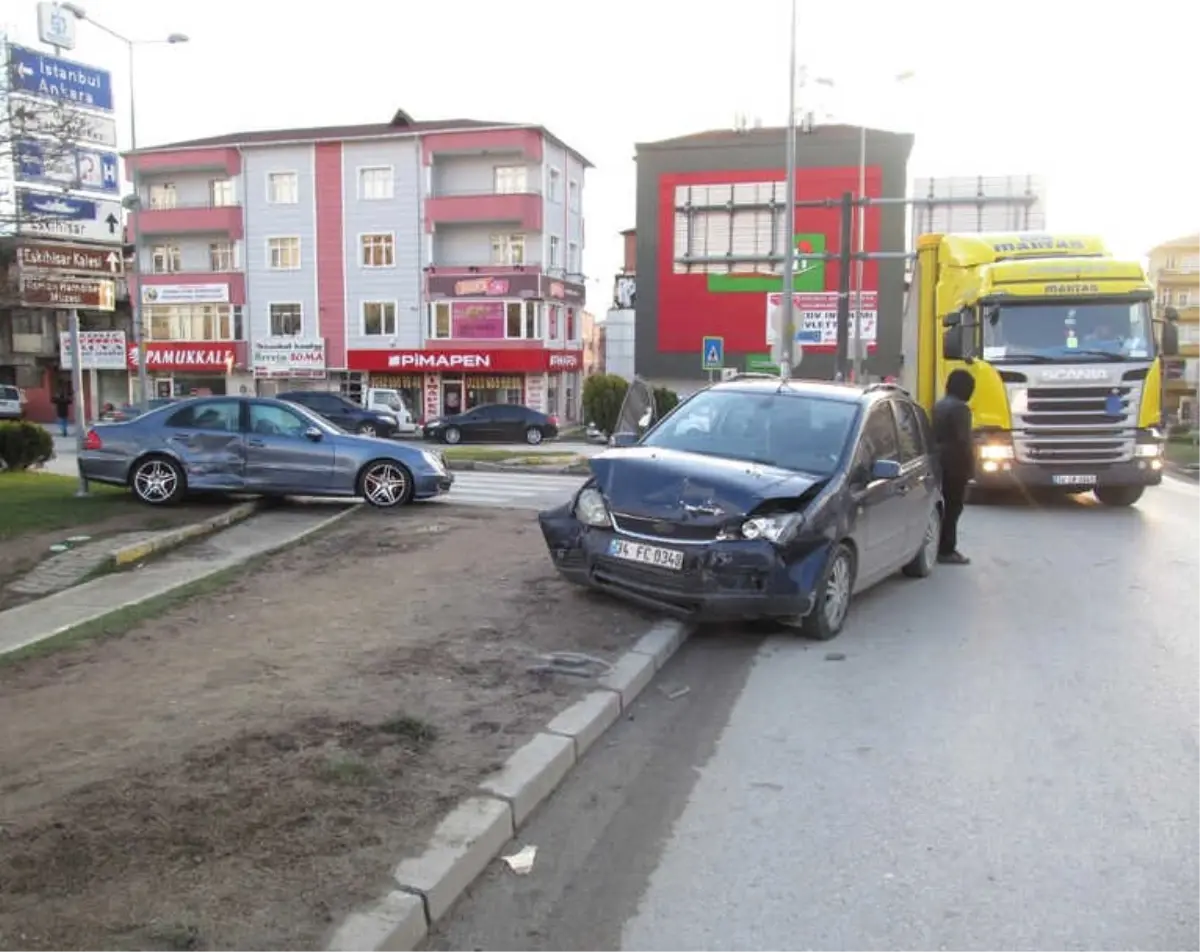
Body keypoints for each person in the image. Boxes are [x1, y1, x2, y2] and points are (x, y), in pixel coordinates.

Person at [932, 369, 976, 565]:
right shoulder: (961, 409)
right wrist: (971, 468)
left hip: (939, 462)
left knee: (943, 505)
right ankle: (947, 549)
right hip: (955, 465)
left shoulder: (939, 405)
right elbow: (963, 441)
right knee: (954, 507)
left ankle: (936, 545)